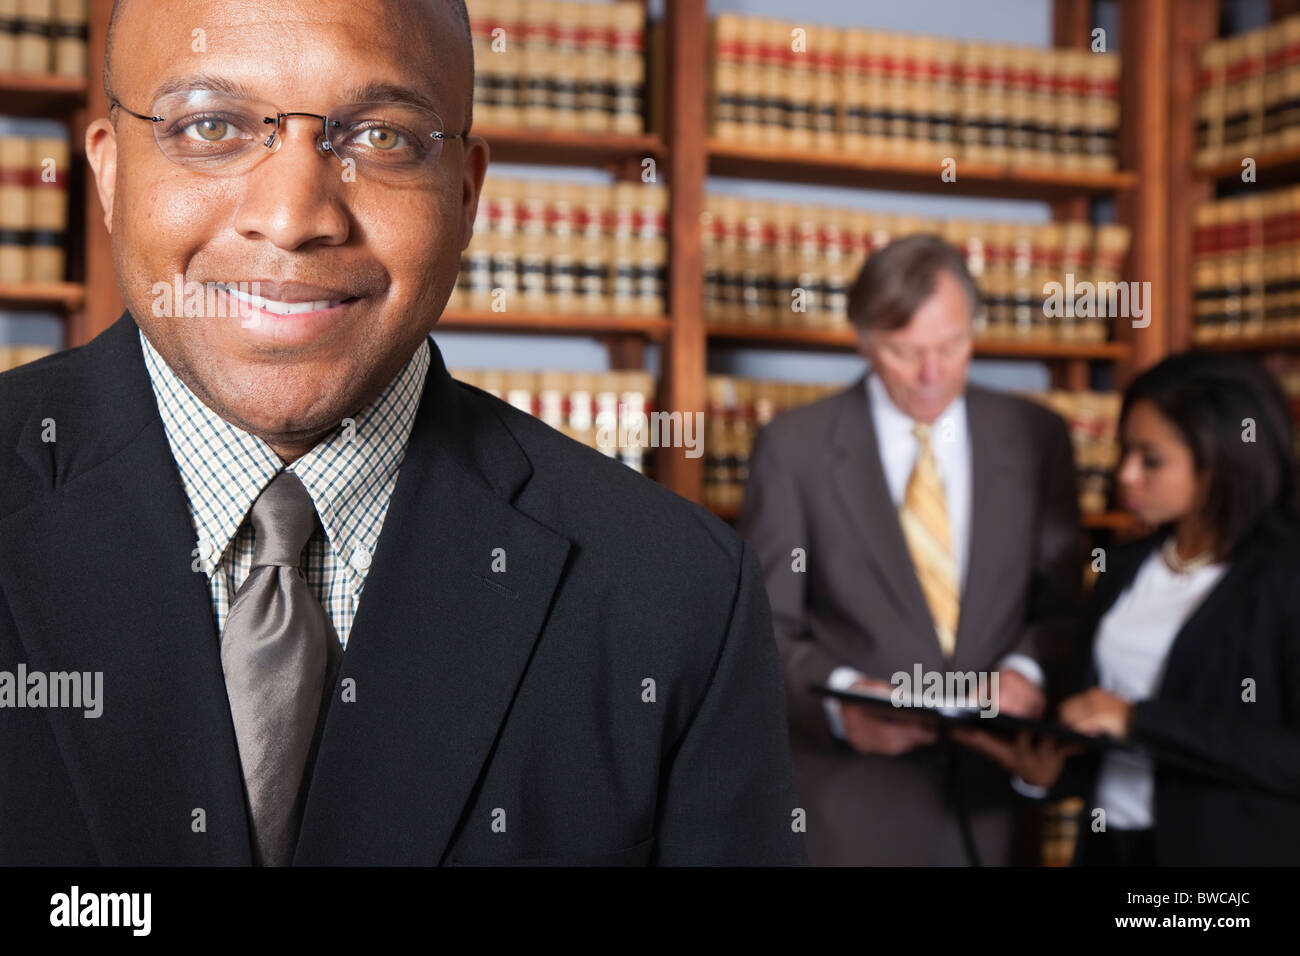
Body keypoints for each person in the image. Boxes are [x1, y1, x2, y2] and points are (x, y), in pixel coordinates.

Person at [0, 0, 805, 867]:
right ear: (110, 175)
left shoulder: (679, 593)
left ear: (465, 196)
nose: (295, 215)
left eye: (381, 137)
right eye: (210, 126)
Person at [740, 234, 1083, 865]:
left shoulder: (1039, 437)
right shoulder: (794, 448)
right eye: (905, 352)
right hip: (851, 814)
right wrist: (847, 705)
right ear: (864, 339)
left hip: (997, 811)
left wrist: (1027, 675)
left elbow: (1063, 609)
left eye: (952, 346)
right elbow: (764, 632)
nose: (932, 373)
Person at [957, 352, 1300, 865]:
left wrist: (1139, 719)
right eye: (1124, 451)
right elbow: (1106, 734)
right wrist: (1049, 775)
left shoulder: (1285, 578)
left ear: (1224, 457)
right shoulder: (1124, 568)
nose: (1126, 475)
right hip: (1111, 849)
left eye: (1151, 458)